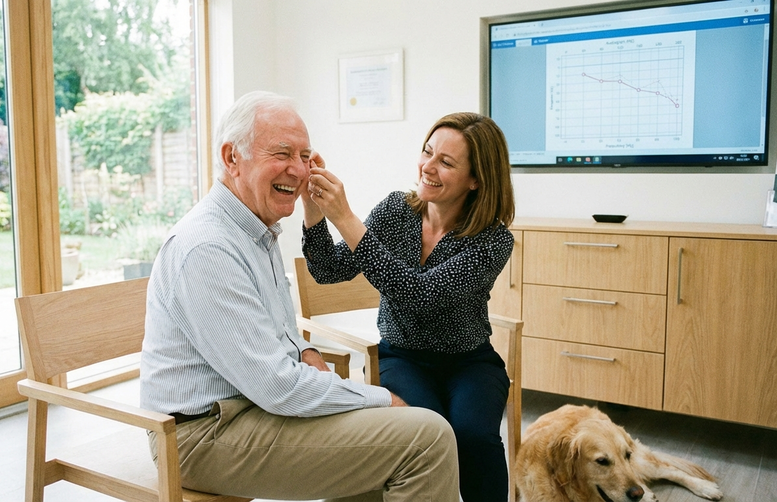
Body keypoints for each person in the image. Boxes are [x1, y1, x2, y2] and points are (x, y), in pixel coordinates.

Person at [139, 91, 459, 502]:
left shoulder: (254, 226)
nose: (298, 169)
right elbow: (278, 387)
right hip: (200, 436)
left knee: (389, 432)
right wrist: (382, 398)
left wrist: (303, 349)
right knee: (426, 436)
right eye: (282, 153)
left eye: (305, 156)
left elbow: (268, 333)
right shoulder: (208, 248)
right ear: (232, 158)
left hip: (249, 407)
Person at [302, 112, 516, 502]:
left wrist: (347, 219)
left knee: (473, 437)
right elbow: (329, 269)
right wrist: (314, 209)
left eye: (446, 162)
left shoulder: (493, 240)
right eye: (427, 152)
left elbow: (421, 296)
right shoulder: (396, 210)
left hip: (470, 361)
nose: (427, 167)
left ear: (476, 179)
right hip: (402, 357)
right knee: (428, 432)